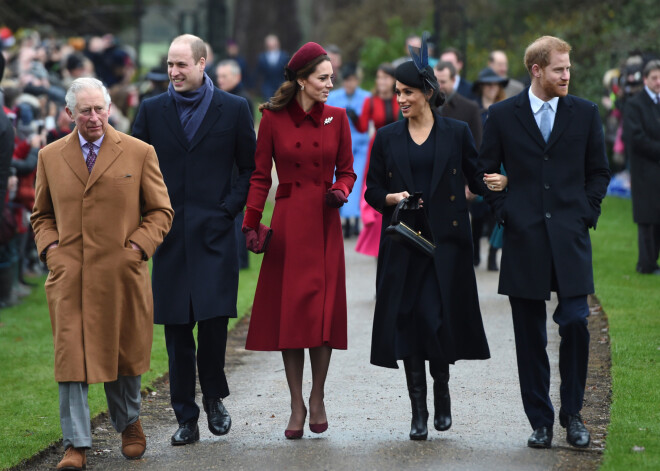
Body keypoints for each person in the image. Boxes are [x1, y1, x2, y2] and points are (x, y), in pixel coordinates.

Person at [30, 77, 173, 469]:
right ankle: (76, 443)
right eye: (84, 111)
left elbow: (161, 211)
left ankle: (129, 422)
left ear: (109, 109)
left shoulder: (139, 152)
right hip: (69, 275)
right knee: (71, 359)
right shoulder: (50, 156)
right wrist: (51, 250)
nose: (93, 118)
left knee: (124, 352)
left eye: (99, 109)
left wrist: (138, 247)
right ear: (68, 114)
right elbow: (41, 215)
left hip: (120, 273)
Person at [478, 36, 611, 449]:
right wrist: (506, 212)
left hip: (570, 238)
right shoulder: (501, 115)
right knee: (529, 334)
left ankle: (573, 416)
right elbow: (486, 173)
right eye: (559, 69)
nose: (567, 74)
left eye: (568, 68)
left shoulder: (586, 113)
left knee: (575, 321)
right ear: (536, 70)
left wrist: (586, 213)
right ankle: (540, 420)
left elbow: (599, 171)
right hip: (524, 239)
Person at [132, 34, 256, 446]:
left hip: (215, 235)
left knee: (215, 324)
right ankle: (186, 416)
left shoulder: (234, 109)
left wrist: (227, 211)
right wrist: (147, 220)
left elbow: (250, 170)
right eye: (170, 64)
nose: (173, 71)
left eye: (182, 64)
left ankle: (215, 398)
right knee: (177, 332)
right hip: (167, 238)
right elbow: (132, 169)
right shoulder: (151, 111)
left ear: (203, 64)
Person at [364, 37, 490, 441]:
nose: (399, 98)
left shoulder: (455, 133)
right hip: (404, 244)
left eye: (407, 92)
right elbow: (371, 190)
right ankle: (418, 410)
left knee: (437, 320)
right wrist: (391, 197)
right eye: (398, 92)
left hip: (446, 245)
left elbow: (477, 179)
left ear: (427, 93)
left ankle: (442, 392)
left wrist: (501, 183)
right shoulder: (387, 137)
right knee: (410, 322)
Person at [242, 42, 356, 439]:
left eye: (331, 77)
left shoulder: (338, 118)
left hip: (324, 222)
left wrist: (341, 191)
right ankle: (295, 403)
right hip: (288, 223)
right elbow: (260, 176)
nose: (330, 83)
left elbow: (347, 171)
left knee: (321, 314)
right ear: (302, 80)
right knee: (292, 315)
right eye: (323, 78)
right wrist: (251, 222)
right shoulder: (271, 119)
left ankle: (318, 396)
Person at [354, 63, 399, 257]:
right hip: (378, 148)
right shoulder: (370, 101)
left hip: (398, 147)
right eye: (379, 77)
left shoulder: (400, 99)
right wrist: (355, 118)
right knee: (375, 189)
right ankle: (377, 240)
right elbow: (364, 127)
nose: (382, 81)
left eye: (386, 77)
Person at [623, 59, 660, 275]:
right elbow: (635, 138)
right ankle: (646, 264)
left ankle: (653, 262)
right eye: (654, 78)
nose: (658, 82)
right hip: (645, 170)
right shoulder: (634, 104)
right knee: (647, 219)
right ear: (645, 79)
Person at [216, 58, 254, 270]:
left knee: (237, 210)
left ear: (237, 77)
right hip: (228, 161)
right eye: (219, 76)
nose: (220, 80)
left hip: (236, 163)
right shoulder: (229, 97)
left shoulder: (242, 100)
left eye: (225, 77)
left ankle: (240, 259)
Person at [471, 66, 509, 270]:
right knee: (477, 211)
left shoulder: (506, 107)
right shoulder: (474, 109)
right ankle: (475, 252)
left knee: (496, 209)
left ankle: (494, 254)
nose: (492, 88)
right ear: (482, 87)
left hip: (501, 164)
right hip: (479, 161)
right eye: (488, 84)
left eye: (495, 84)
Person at [327, 63, 370, 237]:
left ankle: (353, 220)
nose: (349, 84)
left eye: (352, 81)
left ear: (357, 81)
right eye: (346, 81)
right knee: (338, 180)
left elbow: (367, 123)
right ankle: (342, 220)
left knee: (356, 183)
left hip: (359, 147)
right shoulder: (334, 97)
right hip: (340, 147)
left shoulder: (366, 97)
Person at [434, 61, 482, 148]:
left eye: (443, 82)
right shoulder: (426, 106)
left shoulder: (470, 108)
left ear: (453, 80)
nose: (439, 86)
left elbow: (476, 145)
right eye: (436, 82)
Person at [256, 34, 289, 101]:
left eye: (273, 42)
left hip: (281, 84)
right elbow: (258, 73)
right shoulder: (262, 57)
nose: (271, 44)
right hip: (267, 86)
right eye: (269, 42)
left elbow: (287, 71)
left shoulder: (284, 56)